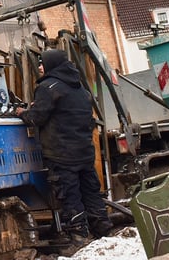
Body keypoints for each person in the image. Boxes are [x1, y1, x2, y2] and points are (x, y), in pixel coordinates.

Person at [16, 48, 112, 243]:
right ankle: (103, 231)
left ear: (52, 65)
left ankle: (78, 237)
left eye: (42, 62)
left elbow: (36, 118)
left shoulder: (48, 87)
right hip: (84, 153)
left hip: (61, 155)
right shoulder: (81, 90)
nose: (40, 67)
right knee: (91, 192)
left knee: (70, 196)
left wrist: (21, 112)